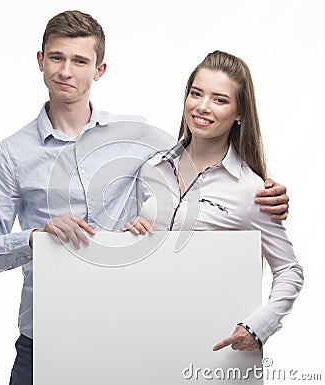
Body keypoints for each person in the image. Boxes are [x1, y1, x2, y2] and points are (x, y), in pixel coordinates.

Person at [0, 11, 291, 384]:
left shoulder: (137, 136)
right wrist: (34, 239)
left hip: (127, 336)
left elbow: (203, 169)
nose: (65, 71)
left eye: (80, 61)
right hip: (44, 337)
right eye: (56, 57)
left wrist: (266, 192)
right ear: (41, 61)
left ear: (99, 69)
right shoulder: (11, 153)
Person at [122, 50, 303, 352]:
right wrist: (127, 235)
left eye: (220, 99)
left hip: (208, 345)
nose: (202, 107)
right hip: (143, 336)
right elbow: (129, 259)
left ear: (240, 113)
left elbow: (289, 270)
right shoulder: (150, 170)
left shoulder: (251, 190)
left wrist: (258, 327)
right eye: (196, 94)